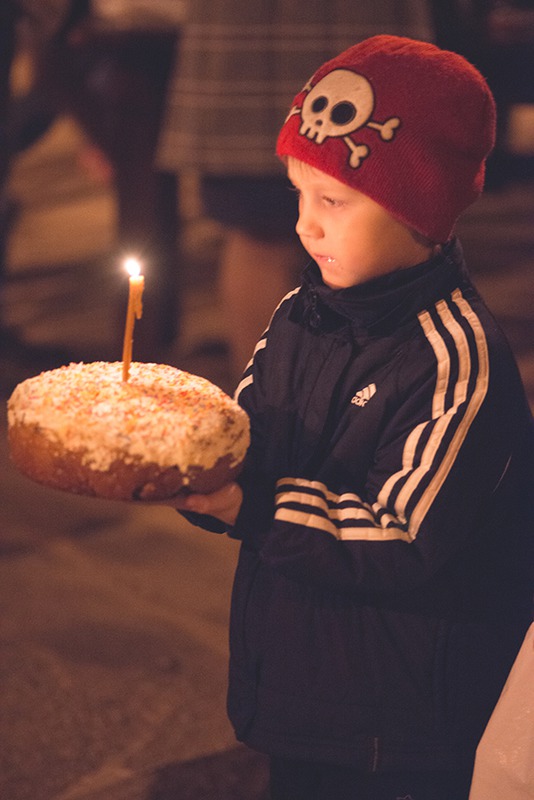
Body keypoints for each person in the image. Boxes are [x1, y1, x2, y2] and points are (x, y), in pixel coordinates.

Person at [160, 36, 534, 799]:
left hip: (398, 719)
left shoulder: (453, 358)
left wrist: (249, 504)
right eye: (299, 194)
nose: (307, 224)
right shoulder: (303, 314)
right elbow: (251, 433)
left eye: (333, 201)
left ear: (418, 207)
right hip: (304, 678)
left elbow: (399, 535)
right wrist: (189, 455)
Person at [157, 1, 435, 381]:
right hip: (278, 53)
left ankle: (372, 402)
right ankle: (267, 405)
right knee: (262, 231)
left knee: (372, 234)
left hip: (264, 53)